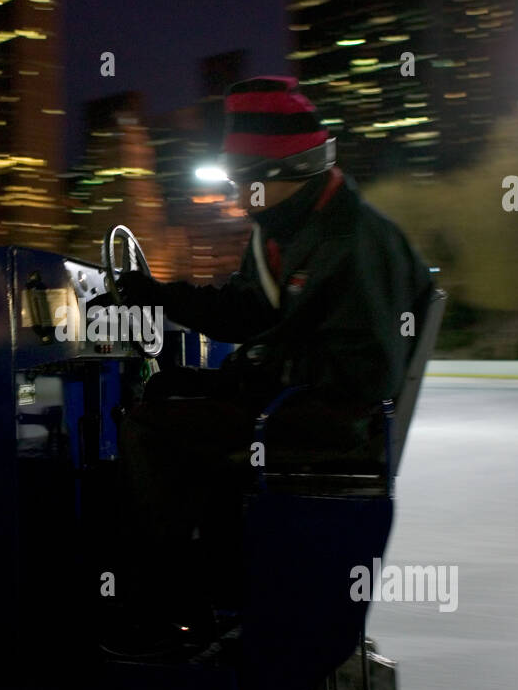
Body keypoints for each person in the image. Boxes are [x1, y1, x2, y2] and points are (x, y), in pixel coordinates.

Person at [93, 76, 434, 655]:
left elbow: (364, 372)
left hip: (335, 423)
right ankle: (216, 587)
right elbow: (245, 310)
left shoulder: (352, 240)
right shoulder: (290, 231)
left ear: (286, 172)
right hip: (307, 403)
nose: (237, 196)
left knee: (149, 433)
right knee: (168, 390)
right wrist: (159, 296)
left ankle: (169, 615)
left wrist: (256, 371)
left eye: (243, 182)